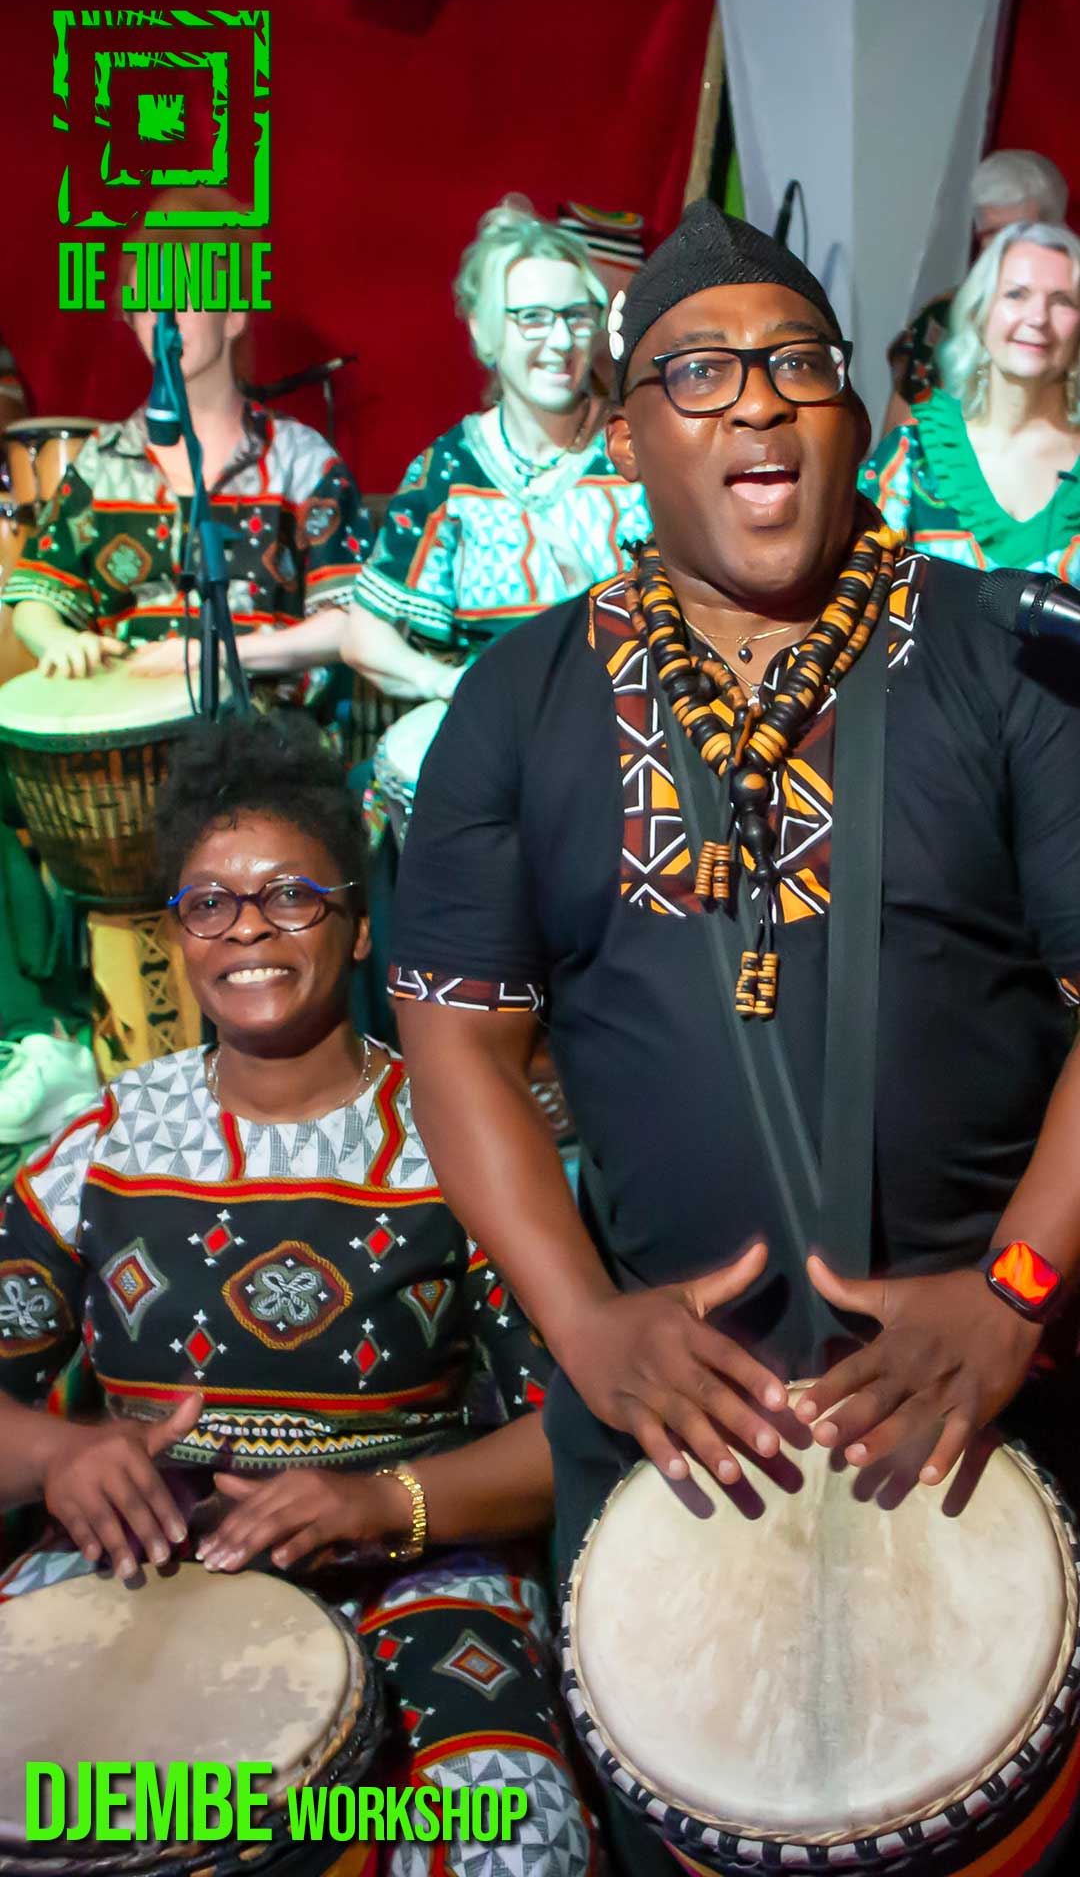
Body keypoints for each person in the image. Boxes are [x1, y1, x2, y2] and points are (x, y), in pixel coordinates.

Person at [388, 200, 1080, 1867]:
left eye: (796, 364)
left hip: (1001, 1408)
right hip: (671, 1443)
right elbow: (454, 1040)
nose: (756, 399)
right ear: (626, 433)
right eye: (697, 371)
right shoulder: (520, 699)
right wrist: (586, 1327)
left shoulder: (1008, 661)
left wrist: (1016, 1294)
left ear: (856, 411)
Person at [0, 710, 595, 1876]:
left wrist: (383, 1505)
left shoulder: (459, 1141)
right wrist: (60, 1457)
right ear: (178, 936)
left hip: (420, 1563)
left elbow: (573, 1427)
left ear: (359, 926)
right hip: (147, 1555)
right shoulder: (101, 1146)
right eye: (209, 903)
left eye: (290, 895)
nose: (247, 928)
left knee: (509, 1840)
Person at [3, 193, 373, 686]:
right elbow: (36, 598)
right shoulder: (102, 463)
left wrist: (213, 655)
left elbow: (350, 622)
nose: (164, 319)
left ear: (234, 316)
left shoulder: (303, 463)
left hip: (266, 722)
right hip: (129, 720)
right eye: (147, 301)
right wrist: (58, 639)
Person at [339, 194, 652, 742]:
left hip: (622, 726)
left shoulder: (642, 451)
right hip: (495, 734)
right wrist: (448, 683)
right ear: (483, 332)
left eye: (577, 316)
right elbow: (363, 636)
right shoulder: (449, 471)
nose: (561, 340)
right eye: (532, 318)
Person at [862, 221, 1080, 584]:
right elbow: (854, 594)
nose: (1038, 318)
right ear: (979, 311)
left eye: (1062, 301)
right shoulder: (913, 456)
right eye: (1016, 294)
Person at [883, 148, 1069, 433]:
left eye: (1020, 232)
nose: (1004, 249)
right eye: (992, 234)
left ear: (1056, 231)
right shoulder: (942, 318)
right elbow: (898, 439)